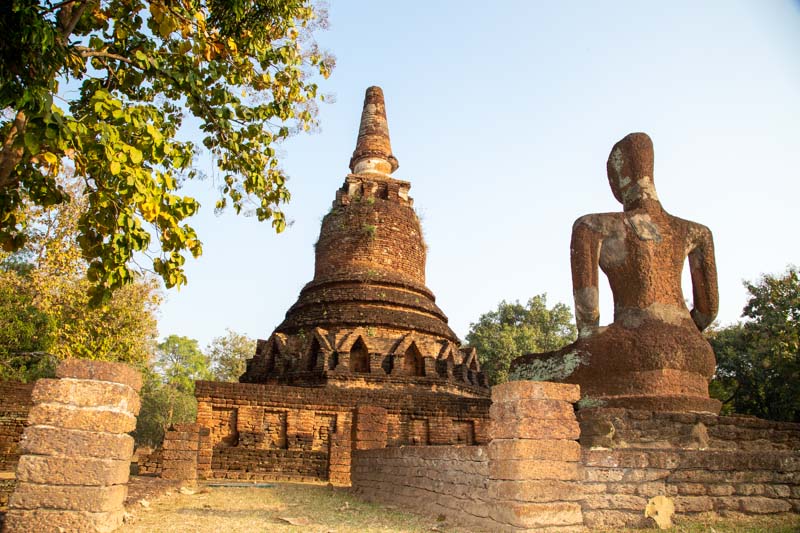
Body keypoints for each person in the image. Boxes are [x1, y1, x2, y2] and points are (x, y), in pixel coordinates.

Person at [510, 132, 720, 413]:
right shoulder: (695, 232)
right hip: (697, 354)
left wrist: (605, 336)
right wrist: (680, 334)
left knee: (522, 371)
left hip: (632, 350)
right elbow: (708, 312)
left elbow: (587, 316)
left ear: (616, 176)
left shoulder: (594, 225)